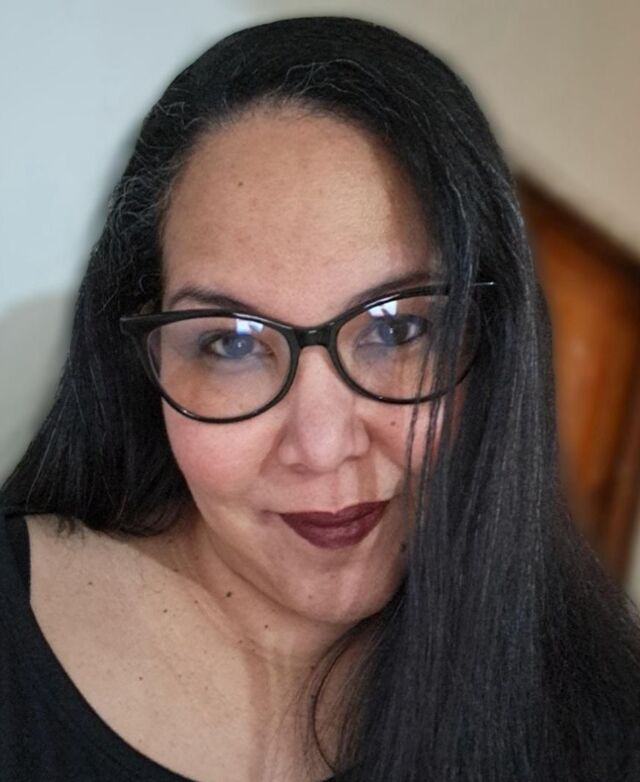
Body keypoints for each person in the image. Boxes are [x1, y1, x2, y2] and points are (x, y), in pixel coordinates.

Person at [1, 15, 639, 782]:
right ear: (143, 356)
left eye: (397, 328)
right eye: (232, 343)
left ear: (494, 344)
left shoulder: (602, 723)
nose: (322, 445)